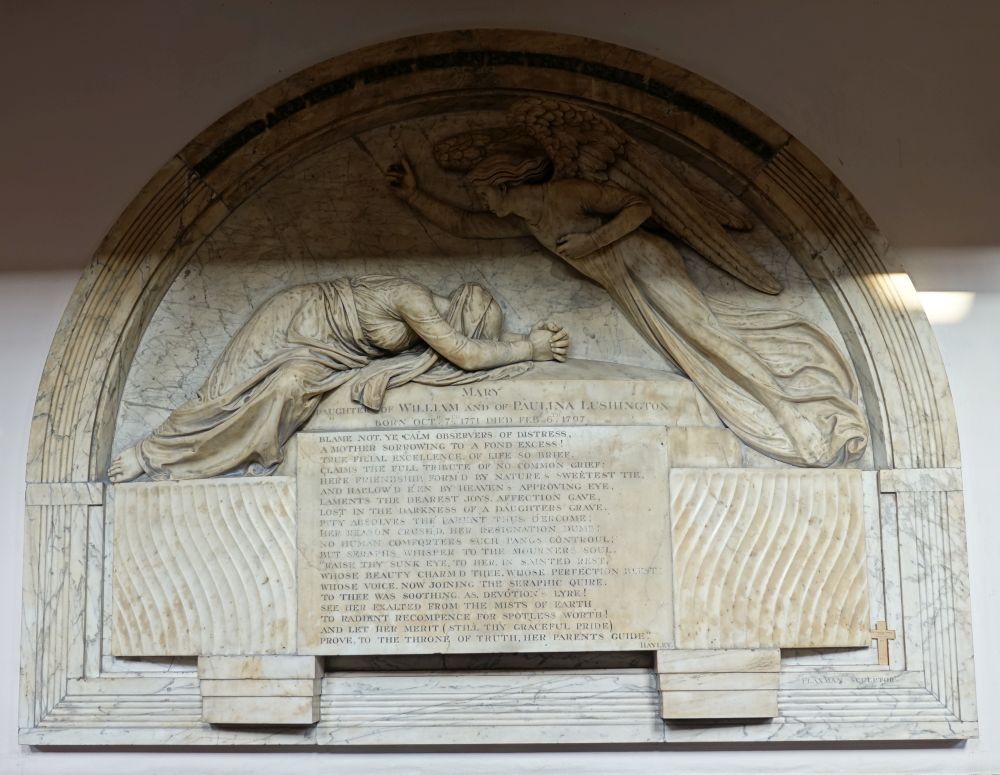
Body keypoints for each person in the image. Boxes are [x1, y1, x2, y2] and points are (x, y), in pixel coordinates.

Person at [387, 155, 868, 467]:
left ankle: (791, 413)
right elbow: (463, 224)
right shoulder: (525, 220)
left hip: (645, 264)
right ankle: (773, 408)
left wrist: (592, 241)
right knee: (692, 356)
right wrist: (411, 195)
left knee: (710, 339)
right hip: (623, 284)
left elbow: (638, 206)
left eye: (482, 193)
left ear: (503, 182)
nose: (480, 202)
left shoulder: (565, 194)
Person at [108, 274, 569, 482]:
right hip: (299, 317)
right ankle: (150, 453)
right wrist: (530, 348)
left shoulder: (431, 328)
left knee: (287, 389)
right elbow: (465, 354)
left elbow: (462, 349)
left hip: (325, 355)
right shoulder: (414, 297)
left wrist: (526, 340)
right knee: (223, 392)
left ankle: (194, 458)